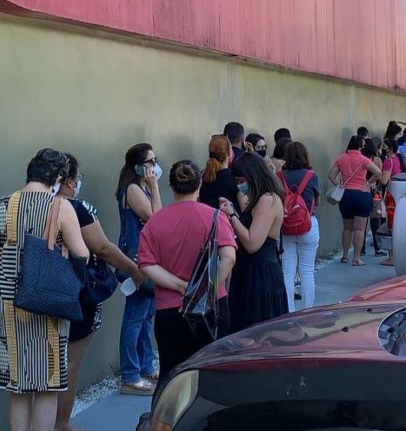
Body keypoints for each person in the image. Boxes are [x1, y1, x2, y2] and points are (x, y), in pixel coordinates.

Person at [0, 149, 89, 431]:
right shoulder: (60, 207)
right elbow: (82, 254)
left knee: (19, 386)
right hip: (47, 304)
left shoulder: (3, 205)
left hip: (9, 303)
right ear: (57, 178)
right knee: (46, 385)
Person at [55, 154, 145, 431]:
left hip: (41, 292)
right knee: (70, 362)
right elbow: (102, 247)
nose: (79, 182)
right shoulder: (77, 208)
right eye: (78, 178)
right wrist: (133, 268)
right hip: (78, 292)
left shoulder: (30, 206)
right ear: (70, 181)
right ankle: (61, 423)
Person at [138, 161, 237, 380]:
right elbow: (228, 257)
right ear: (199, 184)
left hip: (171, 308)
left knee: (172, 374)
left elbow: (146, 264)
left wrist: (181, 286)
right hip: (212, 307)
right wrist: (206, 289)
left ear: (172, 187)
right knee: (213, 372)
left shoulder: (156, 222)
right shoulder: (214, 217)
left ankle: (167, 414)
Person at [219, 153, 288, 332]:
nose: (240, 185)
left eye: (242, 180)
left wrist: (232, 215)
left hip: (260, 273)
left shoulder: (268, 200)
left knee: (256, 330)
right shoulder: (260, 198)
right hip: (249, 270)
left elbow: (252, 243)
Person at [114, 143, 162, 395]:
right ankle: (130, 373)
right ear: (138, 166)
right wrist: (154, 187)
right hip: (137, 261)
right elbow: (156, 219)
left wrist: (152, 189)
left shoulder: (141, 188)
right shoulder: (132, 189)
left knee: (146, 315)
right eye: (150, 162)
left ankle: (145, 365)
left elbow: (158, 216)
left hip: (148, 258)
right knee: (135, 317)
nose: (155, 166)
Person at [279, 142, 320, 311]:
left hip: (286, 226)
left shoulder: (279, 176)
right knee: (307, 271)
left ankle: (289, 312)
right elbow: (317, 202)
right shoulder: (312, 176)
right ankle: (307, 311)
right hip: (308, 225)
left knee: (287, 273)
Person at [328, 136, 382, 266]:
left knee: (347, 228)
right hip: (361, 194)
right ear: (360, 146)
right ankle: (356, 258)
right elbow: (378, 172)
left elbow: (331, 175)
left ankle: (345, 256)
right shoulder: (363, 159)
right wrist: (367, 184)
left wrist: (339, 186)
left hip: (345, 195)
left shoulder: (341, 158)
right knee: (359, 229)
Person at [199, 134, 246, 213]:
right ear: (228, 153)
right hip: (230, 223)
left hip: (208, 222)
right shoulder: (234, 178)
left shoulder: (203, 177)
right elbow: (244, 209)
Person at [361, 138, 388, 257]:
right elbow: (380, 175)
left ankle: (361, 248)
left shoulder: (360, 159)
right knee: (375, 220)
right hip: (374, 191)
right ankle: (377, 248)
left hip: (361, 189)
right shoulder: (376, 159)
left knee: (362, 221)